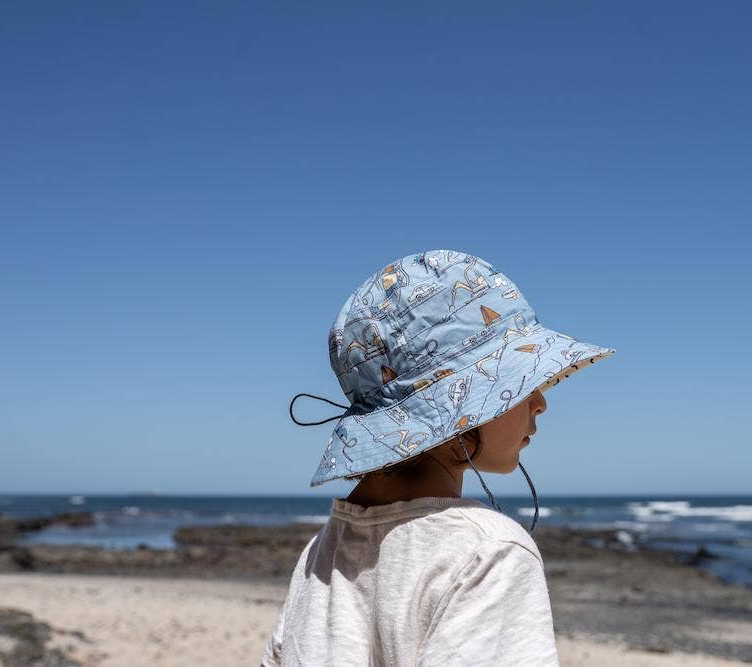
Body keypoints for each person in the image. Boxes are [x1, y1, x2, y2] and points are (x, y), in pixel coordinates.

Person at [261, 249, 616, 666]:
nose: (540, 402)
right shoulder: (488, 553)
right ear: (461, 405)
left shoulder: (320, 556)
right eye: (520, 382)